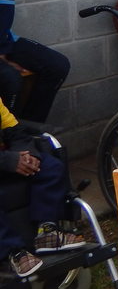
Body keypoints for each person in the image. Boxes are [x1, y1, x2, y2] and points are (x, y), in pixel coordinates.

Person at [1, 97, 85, 276]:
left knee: (50, 166)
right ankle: (13, 252)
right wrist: (10, 161)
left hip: (7, 161)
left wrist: (28, 156)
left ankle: (47, 231)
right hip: (4, 162)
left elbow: (16, 132)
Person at [0, 0, 71, 123]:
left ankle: (30, 128)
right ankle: (11, 134)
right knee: (11, 79)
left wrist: (2, 50)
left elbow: (5, 10)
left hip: (4, 40)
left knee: (57, 65)